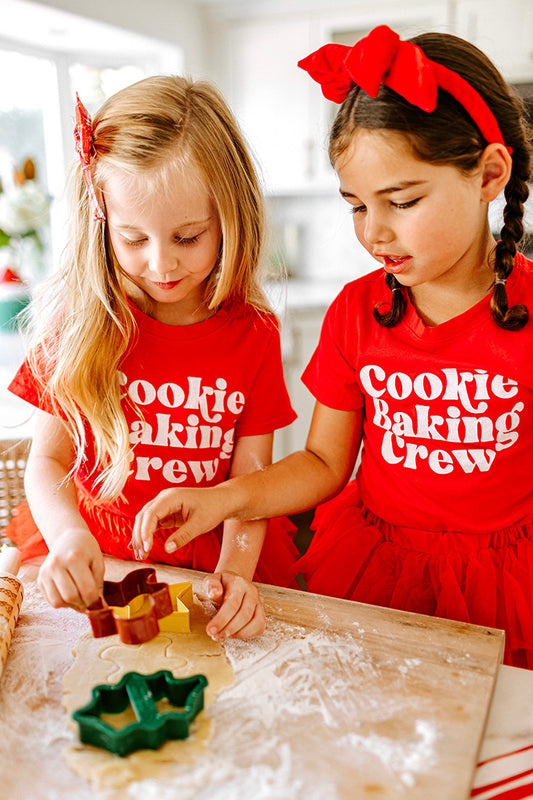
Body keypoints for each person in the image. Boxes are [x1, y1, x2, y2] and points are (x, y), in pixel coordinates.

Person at [130, 26, 533, 667]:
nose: (375, 231)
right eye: (355, 205)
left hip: (506, 585)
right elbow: (322, 462)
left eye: (402, 201)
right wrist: (223, 498)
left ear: (488, 174)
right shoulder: (357, 311)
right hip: (381, 572)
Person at [5, 75, 299, 640]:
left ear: (229, 219)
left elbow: (250, 477)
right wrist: (67, 535)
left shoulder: (254, 334)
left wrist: (234, 574)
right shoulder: (79, 323)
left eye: (187, 237)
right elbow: (46, 462)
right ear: (102, 219)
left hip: (209, 556)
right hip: (96, 554)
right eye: (134, 239)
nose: (161, 265)